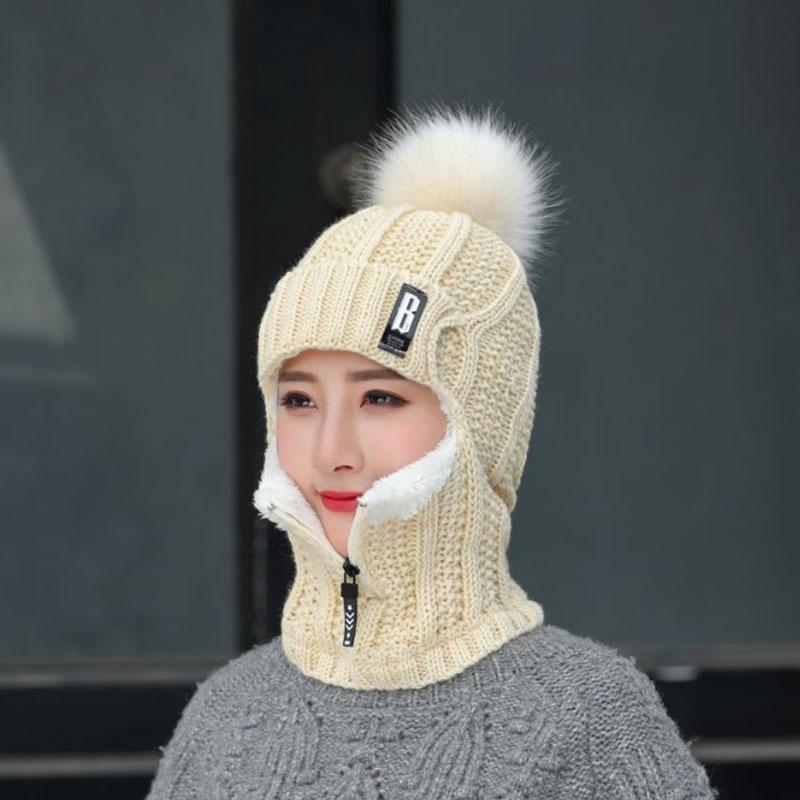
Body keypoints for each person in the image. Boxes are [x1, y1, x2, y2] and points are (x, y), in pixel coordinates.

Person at [145, 103, 719, 799]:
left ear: (480, 423)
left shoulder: (591, 720)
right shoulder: (226, 716)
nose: (331, 450)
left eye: (381, 398)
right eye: (299, 400)